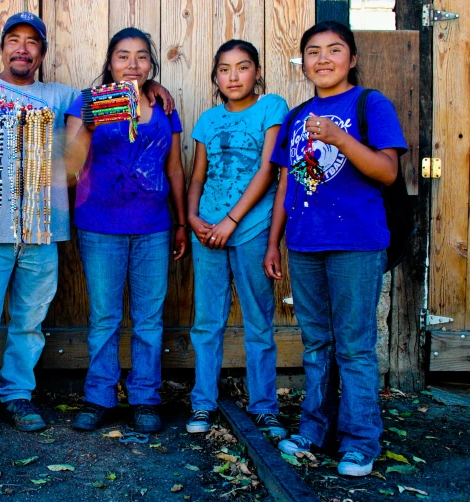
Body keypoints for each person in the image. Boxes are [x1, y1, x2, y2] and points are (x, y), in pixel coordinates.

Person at [0, 12, 174, 449]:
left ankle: (17, 395)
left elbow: (112, 103)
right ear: (2, 48)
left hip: (43, 230)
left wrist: (150, 87)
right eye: (14, 41)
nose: (22, 49)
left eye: (32, 42)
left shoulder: (63, 97)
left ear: (42, 52)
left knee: (30, 322)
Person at [264, 21, 406, 477]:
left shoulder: (370, 104)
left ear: (353, 58)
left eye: (334, 50)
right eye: (313, 52)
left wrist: (341, 138)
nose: (323, 59)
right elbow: (287, 182)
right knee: (316, 342)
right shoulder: (296, 114)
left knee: (355, 346)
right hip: (305, 244)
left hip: (356, 244)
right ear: (302, 61)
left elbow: (386, 170)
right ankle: (315, 430)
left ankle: (360, 440)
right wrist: (274, 243)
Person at [64, 27, 187, 433]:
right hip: (100, 225)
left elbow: (173, 167)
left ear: (151, 64)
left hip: (153, 226)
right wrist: (90, 123)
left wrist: (182, 221)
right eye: (122, 56)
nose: (132, 65)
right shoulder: (89, 102)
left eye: (141, 57)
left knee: (149, 318)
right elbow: (70, 165)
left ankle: (145, 398)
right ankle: (99, 395)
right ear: (110, 62)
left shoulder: (163, 105)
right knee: (105, 317)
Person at [185, 40, 288, 438]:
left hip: (250, 229)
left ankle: (264, 407)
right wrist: (194, 218)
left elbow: (268, 172)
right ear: (215, 76)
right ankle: (202, 404)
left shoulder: (271, 107)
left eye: (243, 67)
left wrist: (232, 220)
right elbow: (197, 176)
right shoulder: (208, 120)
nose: (233, 76)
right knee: (207, 321)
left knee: (258, 321)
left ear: (257, 72)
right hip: (207, 232)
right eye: (224, 69)